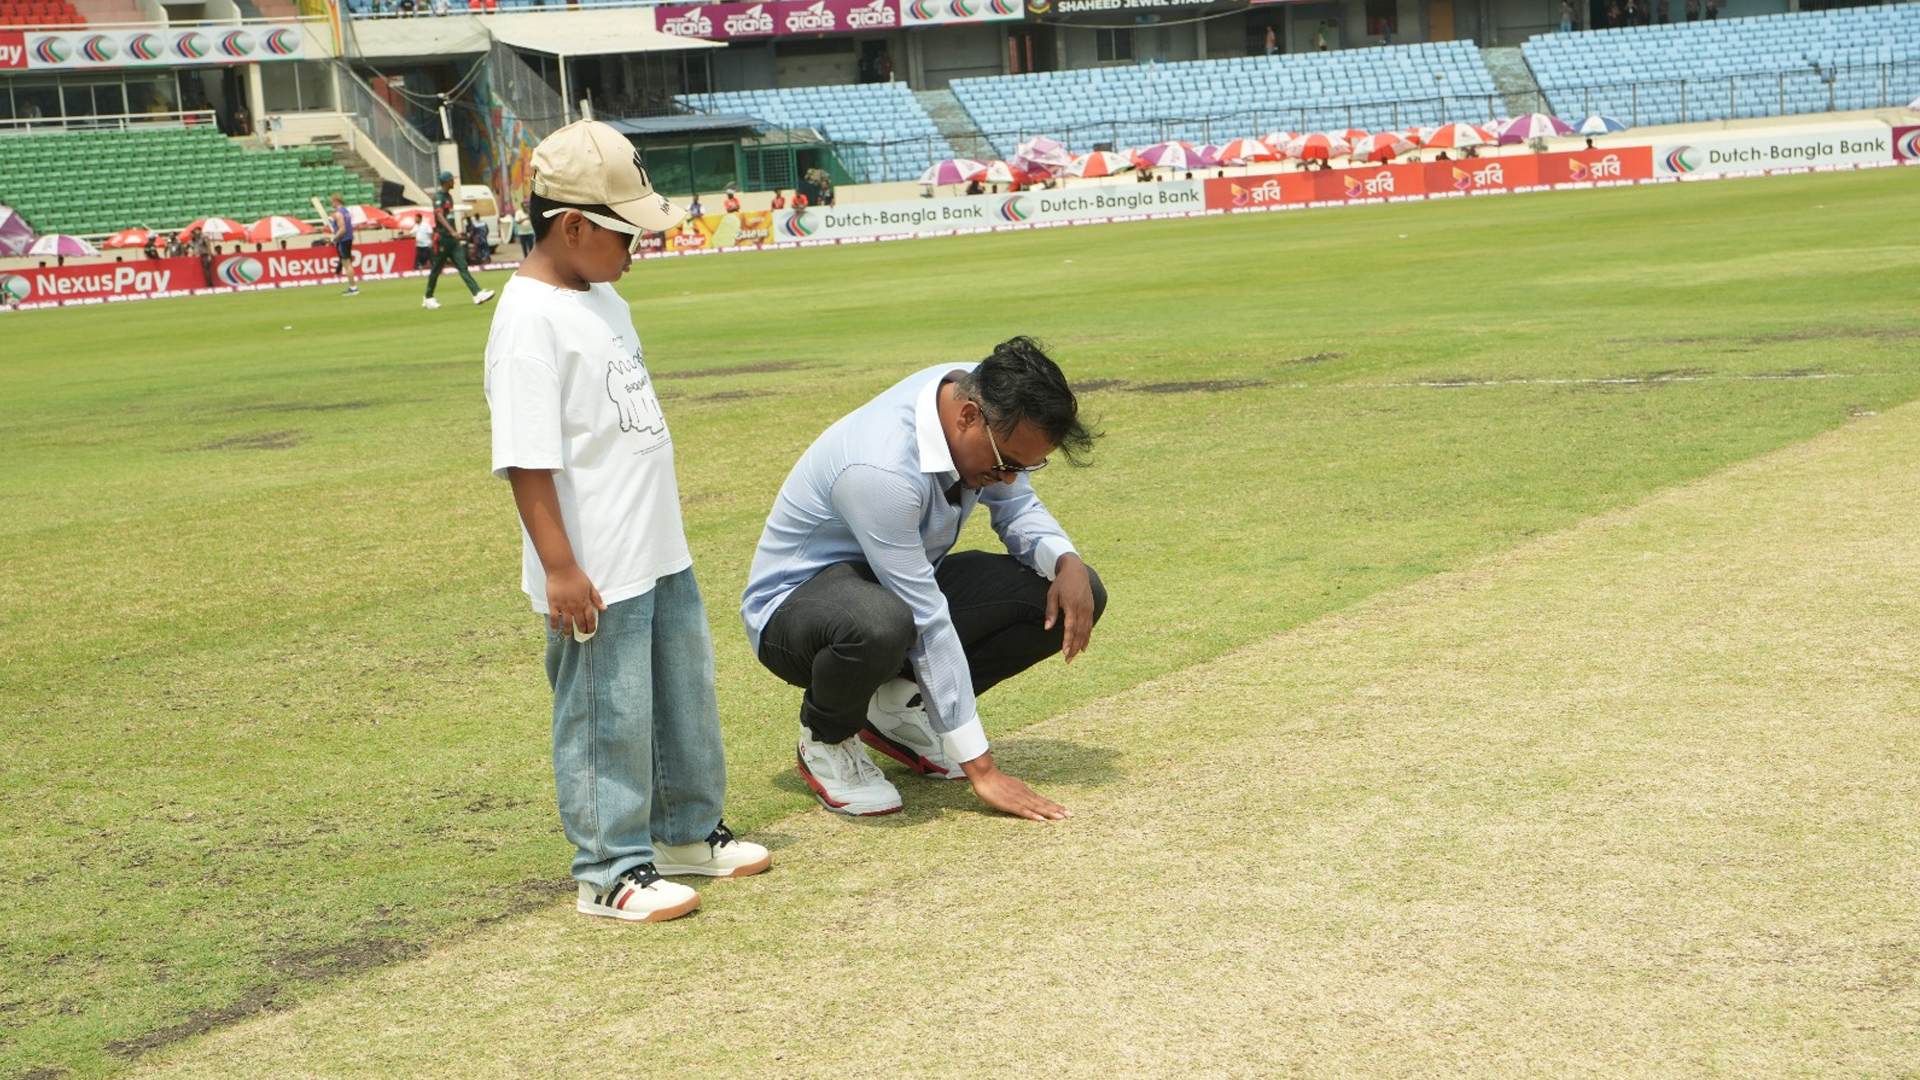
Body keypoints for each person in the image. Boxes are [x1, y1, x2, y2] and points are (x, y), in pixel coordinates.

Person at [484, 119, 770, 924]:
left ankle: (682, 830)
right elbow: (527, 459)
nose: (636, 249)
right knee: (604, 715)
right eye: (623, 233)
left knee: (683, 698)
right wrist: (561, 568)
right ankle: (608, 870)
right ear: (571, 225)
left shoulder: (600, 294)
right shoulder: (528, 323)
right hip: (595, 566)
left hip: (655, 547)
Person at [741, 337, 1107, 822]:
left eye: (1027, 466)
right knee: (881, 623)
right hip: (796, 610)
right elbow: (925, 617)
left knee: (1068, 593)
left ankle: (894, 709)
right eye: (1007, 464)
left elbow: (1016, 507)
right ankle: (827, 738)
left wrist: (1066, 560)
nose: (1013, 478)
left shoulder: (980, 392)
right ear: (969, 417)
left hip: (898, 587)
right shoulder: (881, 469)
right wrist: (983, 770)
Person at [422, 171, 494, 310]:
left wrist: (456, 232)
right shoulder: (439, 197)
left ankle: (477, 293)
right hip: (442, 239)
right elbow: (440, 217)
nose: (453, 182)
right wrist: (452, 232)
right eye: (451, 180)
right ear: (446, 182)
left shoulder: (449, 197)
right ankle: (428, 297)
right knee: (436, 269)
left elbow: (448, 218)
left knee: (462, 266)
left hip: (452, 240)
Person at [326, 192, 361, 296]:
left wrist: (334, 239)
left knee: (347, 264)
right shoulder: (346, 211)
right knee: (347, 263)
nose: (331, 203)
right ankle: (352, 286)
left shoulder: (339, 214)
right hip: (348, 239)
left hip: (343, 240)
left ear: (336, 201)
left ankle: (353, 287)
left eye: (332, 201)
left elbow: (342, 229)